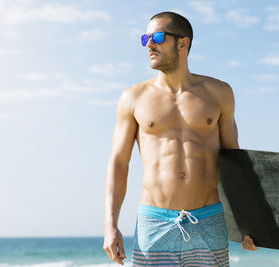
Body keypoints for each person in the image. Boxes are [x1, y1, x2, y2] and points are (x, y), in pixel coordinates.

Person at [103, 11, 257, 266]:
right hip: (154, 223)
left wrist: (248, 221)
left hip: (208, 219)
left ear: (183, 43)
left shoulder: (219, 93)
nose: (149, 44)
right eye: (146, 38)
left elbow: (234, 160)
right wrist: (110, 224)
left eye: (158, 37)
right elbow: (119, 164)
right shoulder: (133, 98)